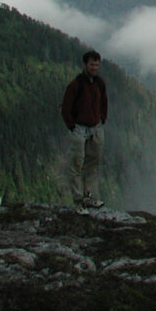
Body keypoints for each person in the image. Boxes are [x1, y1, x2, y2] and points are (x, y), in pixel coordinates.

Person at [61, 50, 108, 209]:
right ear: (85, 65)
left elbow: (104, 103)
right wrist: (72, 126)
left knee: (92, 164)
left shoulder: (100, 83)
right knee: (76, 165)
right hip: (79, 130)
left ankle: (88, 195)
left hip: (95, 129)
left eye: (96, 65)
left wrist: (102, 119)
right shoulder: (76, 85)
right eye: (91, 64)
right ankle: (78, 201)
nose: (94, 67)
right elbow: (66, 107)